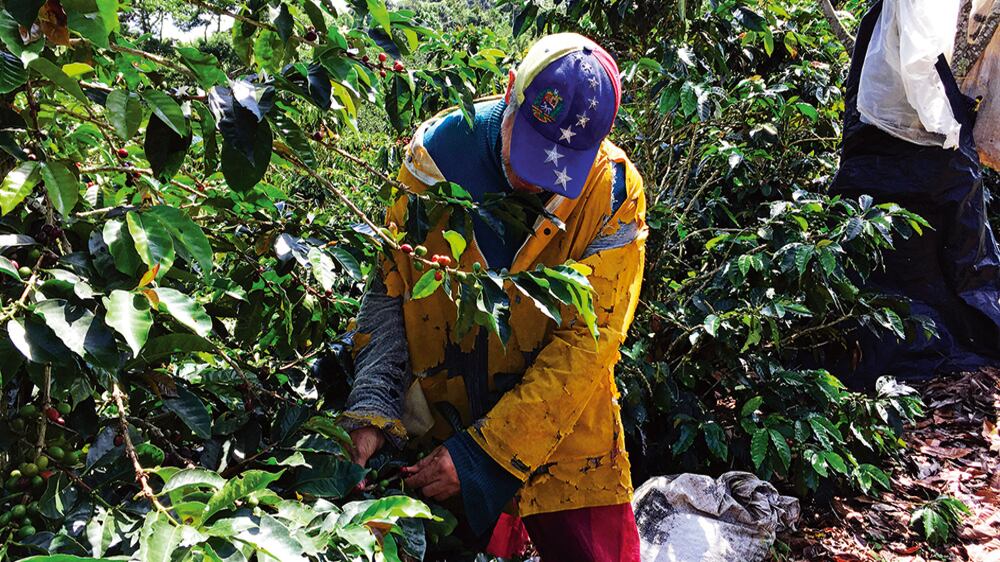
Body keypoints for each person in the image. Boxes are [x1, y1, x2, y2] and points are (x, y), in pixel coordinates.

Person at [340, 32, 647, 561]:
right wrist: (371, 409)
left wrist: (488, 454)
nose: (534, 178)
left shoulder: (612, 192)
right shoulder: (436, 160)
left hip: (563, 424)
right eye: (529, 147)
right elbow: (391, 287)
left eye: (559, 162)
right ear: (509, 90)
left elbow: (589, 342)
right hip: (448, 418)